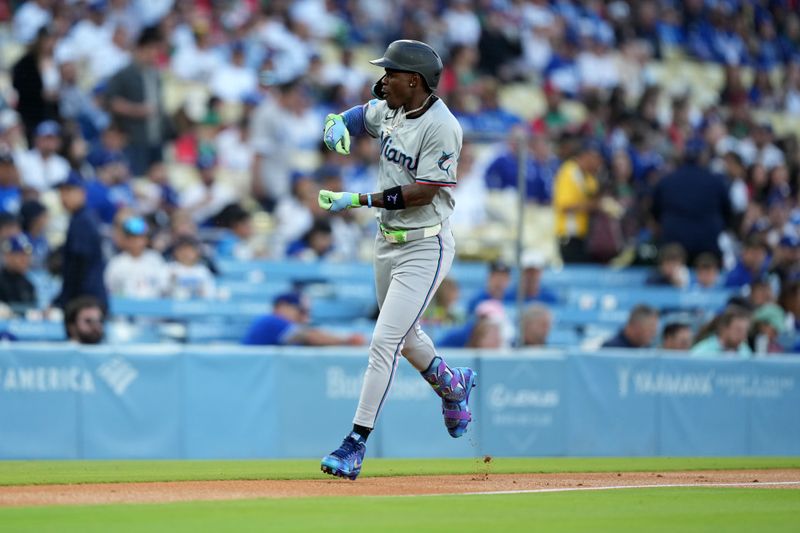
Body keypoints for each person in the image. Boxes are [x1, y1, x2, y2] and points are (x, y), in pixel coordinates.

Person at [315, 40, 476, 480]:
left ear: (415, 81)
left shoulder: (443, 126)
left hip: (425, 244)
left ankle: (354, 443)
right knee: (404, 338)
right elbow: (358, 114)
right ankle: (452, 384)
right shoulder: (391, 106)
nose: (384, 78)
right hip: (388, 242)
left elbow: (425, 191)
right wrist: (336, 123)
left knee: (384, 342)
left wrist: (359, 198)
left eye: (392, 73)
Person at [651, 140, 732, 262]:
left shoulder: (667, 181)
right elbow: (728, 214)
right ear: (703, 156)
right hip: (707, 246)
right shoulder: (716, 182)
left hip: (674, 246)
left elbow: (655, 213)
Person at [105, 26, 169, 176]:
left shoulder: (155, 74)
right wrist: (136, 110)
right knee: (138, 178)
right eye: (152, 49)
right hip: (134, 139)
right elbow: (111, 101)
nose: (155, 54)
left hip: (155, 137)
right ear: (141, 49)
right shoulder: (125, 74)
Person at [54, 171, 107, 311]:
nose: (63, 197)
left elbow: (79, 265)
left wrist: (65, 300)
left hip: (85, 301)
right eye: (62, 192)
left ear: (82, 193)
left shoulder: (82, 221)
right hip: (89, 299)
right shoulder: (83, 218)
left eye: (69, 191)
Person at [242, 292, 365, 347]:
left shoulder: (284, 329)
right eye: (300, 311)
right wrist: (347, 341)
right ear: (282, 306)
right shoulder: (270, 321)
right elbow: (309, 336)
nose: (304, 317)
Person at [552, 141, 603, 263]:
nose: (599, 162)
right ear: (586, 156)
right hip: (569, 235)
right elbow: (564, 205)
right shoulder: (569, 171)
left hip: (584, 236)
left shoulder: (589, 176)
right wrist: (595, 205)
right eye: (596, 158)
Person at [104, 216, 167, 299]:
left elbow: (164, 286)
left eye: (140, 238)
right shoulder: (116, 263)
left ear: (146, 239)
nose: (137, 242)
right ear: (126, 240)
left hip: (154, 308)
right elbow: (111, 288)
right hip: (125, 309)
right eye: (132, 238)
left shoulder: (156, 259)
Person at [164, 236, 216, 300]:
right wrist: (171, 283)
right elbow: (161, 292)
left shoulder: (203, 270)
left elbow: (210, 293)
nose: (186, 253)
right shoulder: (168, 268)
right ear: (176, 252)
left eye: (190, 250)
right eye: (183, 250)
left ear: (197, 252)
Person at [0, 233, 36, 308]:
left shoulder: (29, 285)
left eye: (27, 255)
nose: (25, 259)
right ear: (8, 256)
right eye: (20, 255)